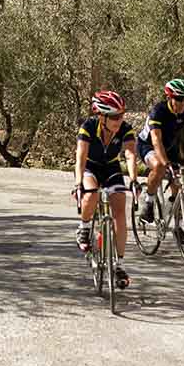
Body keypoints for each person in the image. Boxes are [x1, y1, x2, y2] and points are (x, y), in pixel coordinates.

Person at [74, 90, 138, 290]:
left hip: (111, 169)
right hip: (91, 167)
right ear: (101, 116)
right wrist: (78, 184)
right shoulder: (88, 127)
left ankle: (118, 264)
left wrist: (134, 179)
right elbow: (81, 157)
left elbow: (129, 154)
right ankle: (84, 229)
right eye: (114, 117)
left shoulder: (125, 129)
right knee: (91, 194)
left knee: (120, 209)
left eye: (121, 115)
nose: (119, 120)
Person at [135, 78, 184, 230]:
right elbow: (156, 139)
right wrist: (166, 163)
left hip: (170, 147)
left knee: (178, 184)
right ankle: (148, 203)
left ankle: (177, 226)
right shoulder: (159, 111)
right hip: (148, 145)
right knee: (160, 166)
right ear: (169, 97)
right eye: (178, 99)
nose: (181, 103)